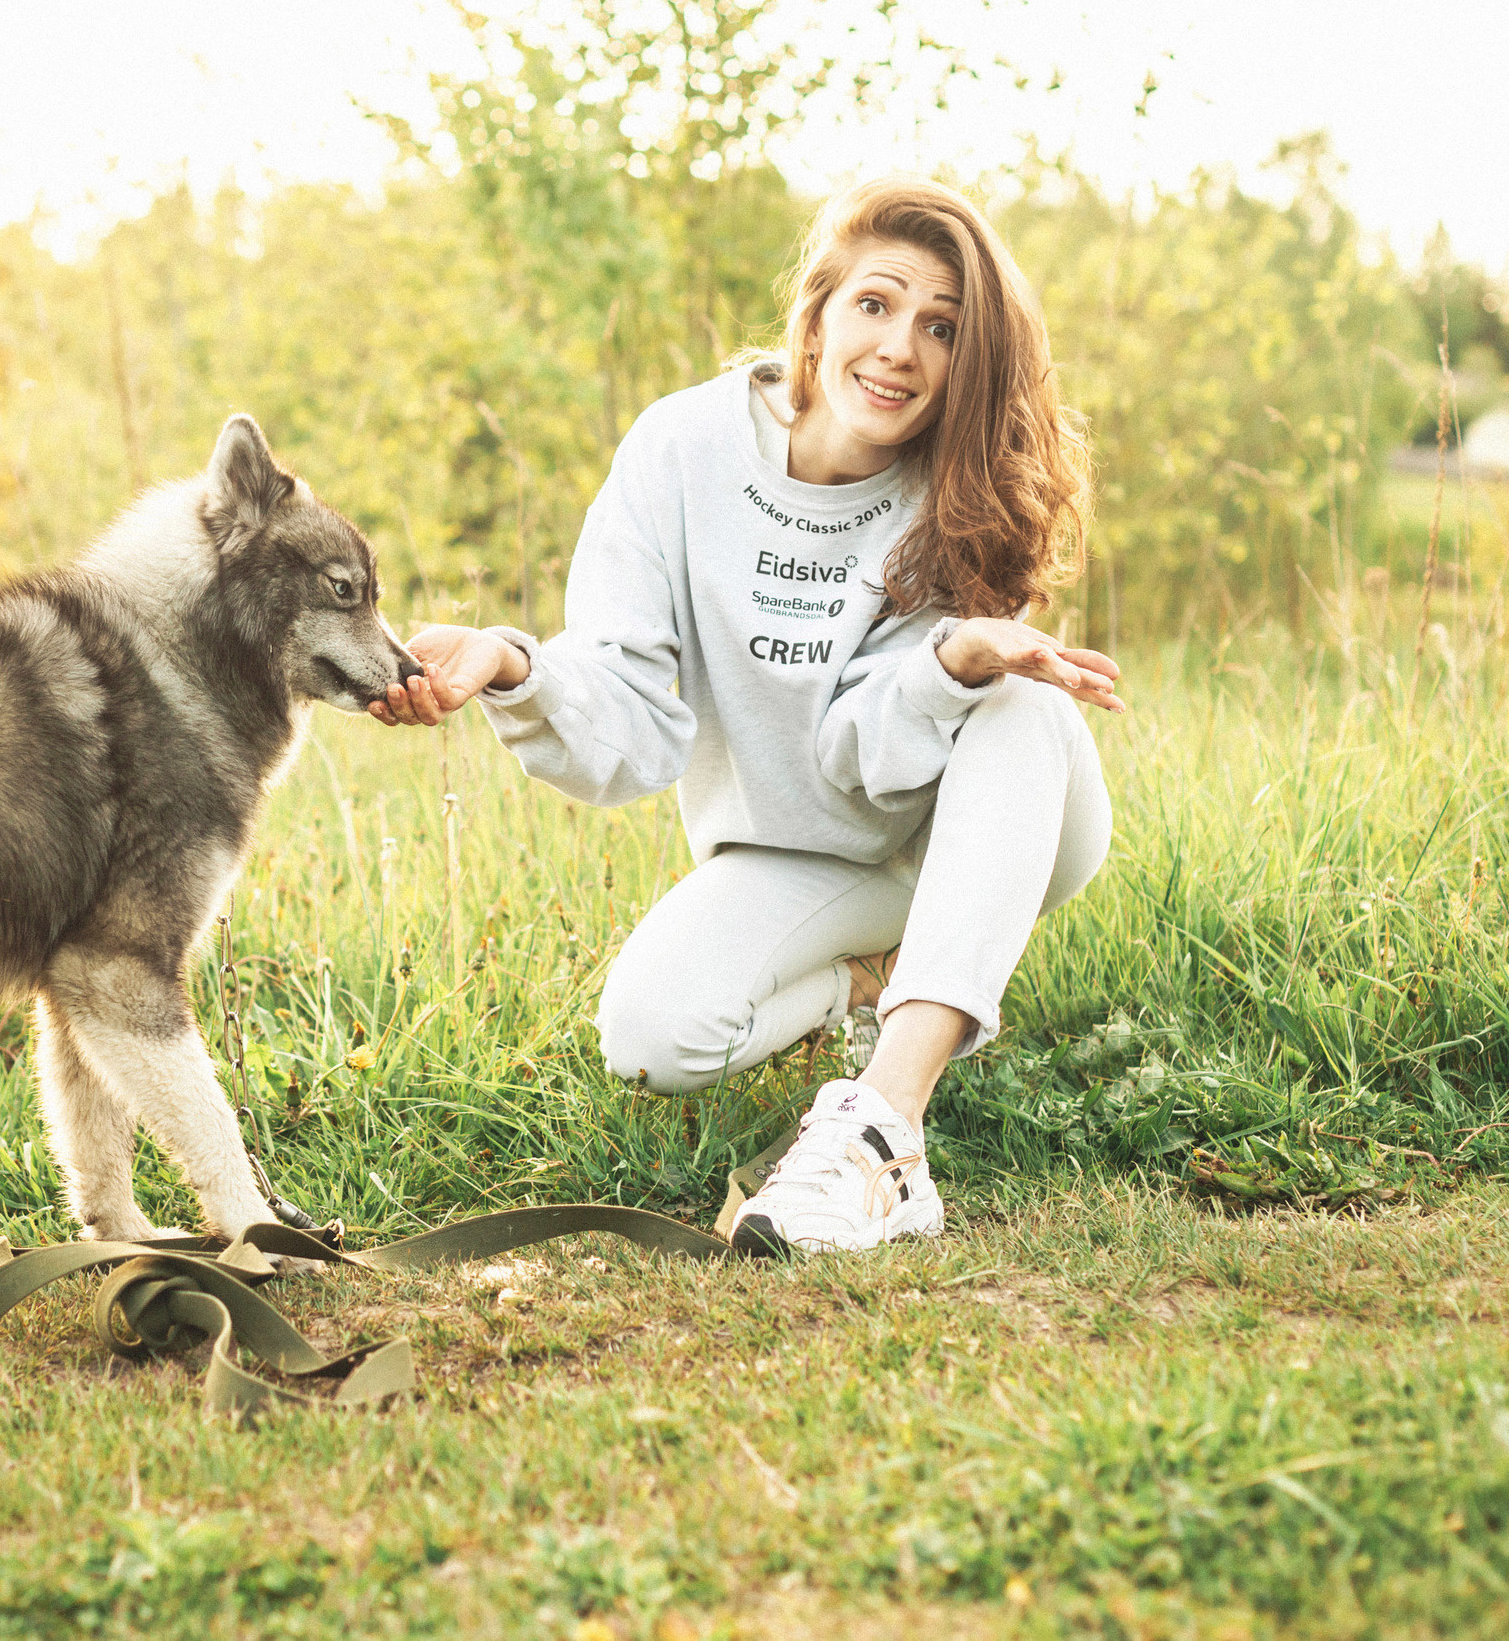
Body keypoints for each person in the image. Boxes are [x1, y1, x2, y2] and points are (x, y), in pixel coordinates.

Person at [366, 174, 1119, 1256]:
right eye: (875, 304)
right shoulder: (680, 451)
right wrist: (508, 666)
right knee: (649, 1037)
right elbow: (625, 708)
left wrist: (955, 655)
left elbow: (866, 753)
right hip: (800, 848)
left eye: (941, 326)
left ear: (969, 360)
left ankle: (884, 1134)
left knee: (1019, 708)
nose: (900, 346)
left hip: (995, 824)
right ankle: (876, 984)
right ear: (814, 317)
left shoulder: (959, 490)